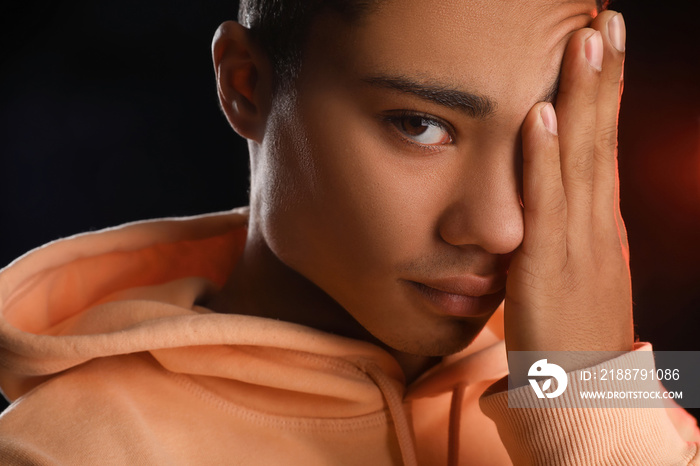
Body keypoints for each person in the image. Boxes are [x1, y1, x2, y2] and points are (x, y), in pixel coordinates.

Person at [0, 0, 698, 464]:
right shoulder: (74, 450)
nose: (501, 226)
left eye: (543, 135)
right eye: (421, 125)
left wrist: (583, 396)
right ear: (246, 85)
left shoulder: (609, 404)